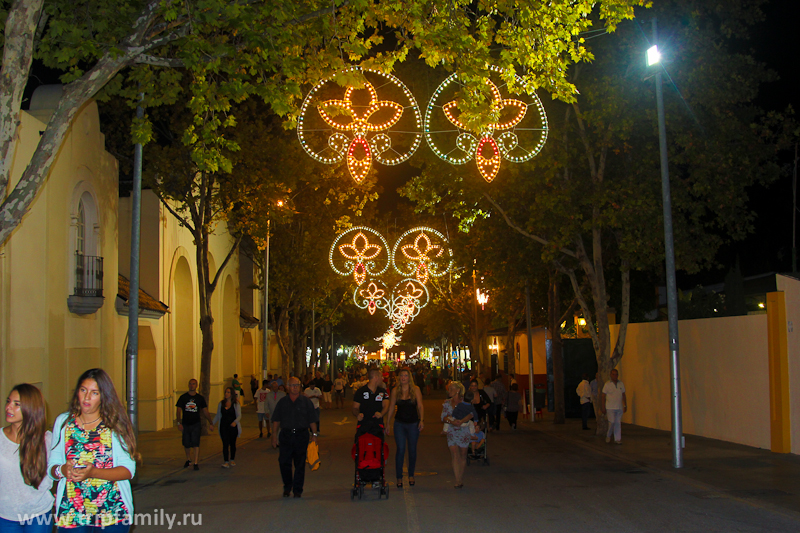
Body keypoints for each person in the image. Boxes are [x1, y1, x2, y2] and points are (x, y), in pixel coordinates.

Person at [49, 369, 138, 532]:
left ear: (103, 397)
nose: (87, 397)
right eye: (83, 390)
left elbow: (128, 471)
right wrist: (62, 470)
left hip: (111, 512)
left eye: (94, 393)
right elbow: (52, 467)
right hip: (71, 512)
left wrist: (93, 472)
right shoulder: (63, 423)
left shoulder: (114, 425)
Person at [1, 384, 54, 532]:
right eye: (8, 401)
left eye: (16, 404)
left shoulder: (47, 440)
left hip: (38, 514)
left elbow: (55, 472)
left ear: (31, 409)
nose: (8, 407)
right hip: (6, 516)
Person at [271, 378, 319, 498]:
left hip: (301, 435)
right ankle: (287, 486)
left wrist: (314, 435)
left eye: (297, 385)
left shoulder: (306, 402)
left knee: (300, 464)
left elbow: (312, 419)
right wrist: (274, 436)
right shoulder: (282, 402)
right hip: (286, 436)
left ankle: (298, 489)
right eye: (292, 385)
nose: (295, 387)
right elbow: (276, 420)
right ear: (287, 387)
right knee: (284, 462)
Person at [385, 368, 424, 488]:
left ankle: (411, 474)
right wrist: (387, 423)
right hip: (399, 424)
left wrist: (421, 420)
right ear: (398, 378)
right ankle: (399, 477)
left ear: (409, 377)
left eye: (406, 376)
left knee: (412, 450)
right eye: (401, 375)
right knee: (400, 449)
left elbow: (420, 405)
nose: (403, 378)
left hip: (413, 423)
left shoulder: (416, 389)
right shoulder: (395, 390)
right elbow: (391, 407)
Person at [440, 381, 477, 488]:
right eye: (449, 389)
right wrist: (452, 422)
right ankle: (458, 479)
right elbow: (443, 417)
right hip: (452, 430)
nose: (449, 391)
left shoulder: (465, 401)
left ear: (458, 390)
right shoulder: (447, 403)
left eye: (451, 389)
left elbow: (471, 414)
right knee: (454, 454)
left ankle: (460, 476)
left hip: (464, 430)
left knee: (462, 454)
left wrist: (461, 421)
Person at [176, 378, 214, 471]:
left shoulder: (199, 398)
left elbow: (205, 411)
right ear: (188, 385)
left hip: (196, 423)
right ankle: (188, 459)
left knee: (195, 442)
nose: (191, 385)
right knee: (186, 443)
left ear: (196, 386)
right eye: (190, 384)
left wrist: (210, 422)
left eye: (193, 384)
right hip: (186, 423)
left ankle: (196, 462)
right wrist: (178, 423)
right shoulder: (183, 397)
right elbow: (178, 410)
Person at [212, 387, 240, 468]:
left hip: (232, 427)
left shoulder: (236, 404)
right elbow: (218, 415)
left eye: (228, 392)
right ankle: (226, 461)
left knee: (232, 444)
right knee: (225, 443)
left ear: (231, 394)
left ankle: (232, 459)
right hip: (224, 426)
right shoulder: (221, 403)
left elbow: (239, 415)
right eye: (225, 392)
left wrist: (235, 422)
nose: (226, 394)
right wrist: (212, 424)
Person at [600, 369, 627, 444]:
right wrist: (603, 407)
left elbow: (623, 395)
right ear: (611, 375)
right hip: (610, 407)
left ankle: (617, 439)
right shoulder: (607, 384)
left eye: (616, 374)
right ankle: (608, 435)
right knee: (611, 422)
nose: (615, 376)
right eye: (613, 374)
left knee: (618, 423)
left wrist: (625, 405)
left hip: (619, 407)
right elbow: (603, 396)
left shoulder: (621, 384)